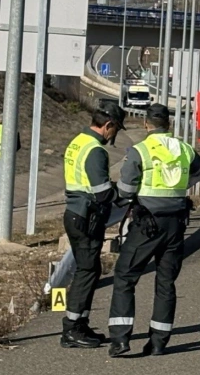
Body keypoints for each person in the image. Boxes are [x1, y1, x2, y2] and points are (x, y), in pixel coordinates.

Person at [108, 103, 200, 357]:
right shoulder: (185, 149)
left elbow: (126, 190)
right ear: (168, 125)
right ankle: (159, 342)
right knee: (165, 282)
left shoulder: (140, 151)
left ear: (146, 124)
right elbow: (198, 171)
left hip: (147, 223)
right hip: (176, 223)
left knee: (125, 276)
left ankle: (120, 338)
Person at [61, 102, 126, 349]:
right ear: (108, 125)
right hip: (86, 215)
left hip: (75, 212)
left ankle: (81, 324)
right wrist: (124, 194)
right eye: (116, 129)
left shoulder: (78, 141)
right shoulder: (96, 151)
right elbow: (102, 192)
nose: (115, 135)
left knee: (90, 269)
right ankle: (72, 329)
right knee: (87, 271)